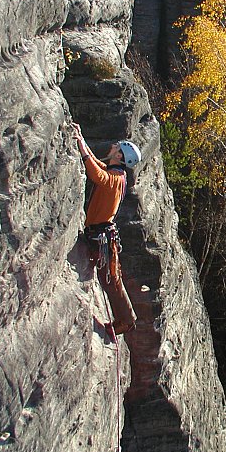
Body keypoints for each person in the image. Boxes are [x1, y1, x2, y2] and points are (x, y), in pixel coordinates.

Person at [72, 123, 141, 338]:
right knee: (111, 278)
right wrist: (81, 140)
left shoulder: (115, 179)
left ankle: (127, 321)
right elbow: (98, 167)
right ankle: (126, 319)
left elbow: (97, 175)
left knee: (111, 279)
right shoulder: (116, 174)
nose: (113, 146)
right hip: (100, 233)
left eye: (117, 146)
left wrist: (82, 146)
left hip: (101, 236)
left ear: (120, 156)